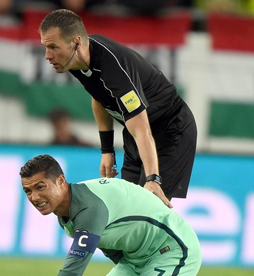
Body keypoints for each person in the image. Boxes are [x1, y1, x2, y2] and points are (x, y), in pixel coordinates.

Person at [14, 154, 254, 276]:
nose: (34, 197)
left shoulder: (87, 210)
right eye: (27, 191)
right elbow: (113, 246)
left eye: (40, 187)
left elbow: (72, 272)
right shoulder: (66, 209)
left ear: (60, 181)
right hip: (136, 258)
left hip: (172, 249)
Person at [38, 9, 198, 208]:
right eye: (45, 47)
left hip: (170, 130)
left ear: (76, 42)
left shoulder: (113, 70)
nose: (47, 55)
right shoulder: (78, 58)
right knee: (123, 209)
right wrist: (107, 150)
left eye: (53, 47)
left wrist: (154, 178)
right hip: (136, 132)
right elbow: (99, 97)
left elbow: (142, 127)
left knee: (146, 210)